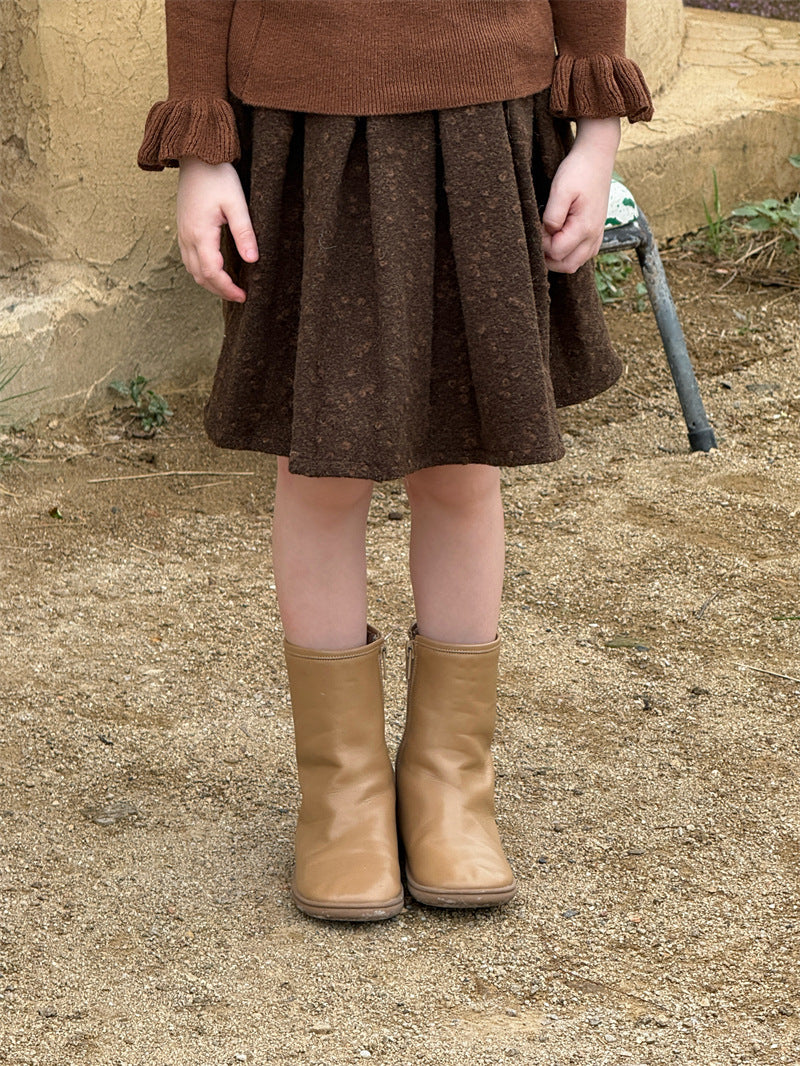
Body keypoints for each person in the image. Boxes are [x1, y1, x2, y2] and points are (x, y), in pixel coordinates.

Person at [138, 0, 654, 922]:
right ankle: (342, 796)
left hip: (485, 121)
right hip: (305, 127)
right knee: (320, 470)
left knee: (462, 465)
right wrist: (203, 147)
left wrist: (597, 130)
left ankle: (451, 783)